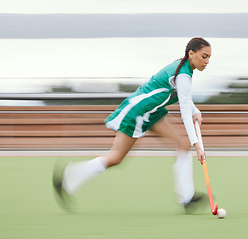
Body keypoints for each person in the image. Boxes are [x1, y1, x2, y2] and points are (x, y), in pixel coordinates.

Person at [53, 37, 212, 214]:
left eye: (208, 58)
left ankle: (186, 198)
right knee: (116, 158)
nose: (206, 62)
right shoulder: (183, 74)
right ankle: (70, 176)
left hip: (152, 112)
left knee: (182, 146)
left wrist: (195, 110)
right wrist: (197, 145)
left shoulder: (184, 68)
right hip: (138, 112)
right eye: (204, 56)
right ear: (191, 54)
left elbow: (185, 99)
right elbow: (183, 109)